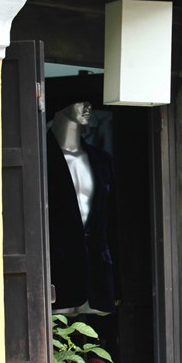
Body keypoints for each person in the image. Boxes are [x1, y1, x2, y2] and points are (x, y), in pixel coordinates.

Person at [47, 100, 118, 313]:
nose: (87, 108)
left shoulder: (102, 161)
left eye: (89, 103)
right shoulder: (40, 158)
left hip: (98, 277)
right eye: (78, 102)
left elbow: (111, 221)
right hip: (58, 273)